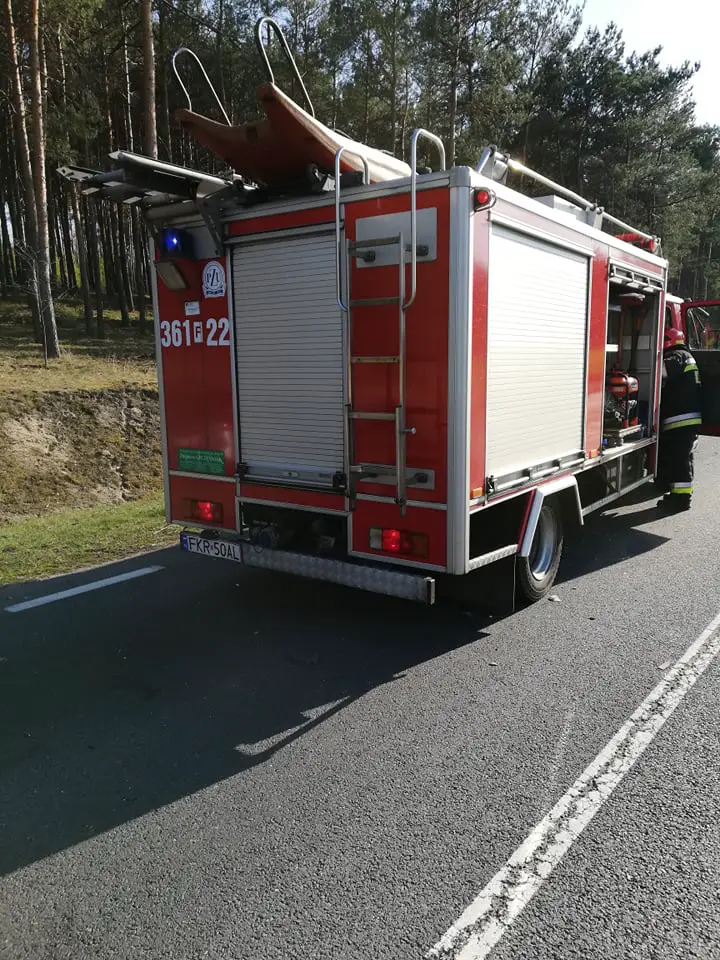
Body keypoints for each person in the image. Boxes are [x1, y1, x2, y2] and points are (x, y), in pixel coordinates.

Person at [656, 327, 702, 511]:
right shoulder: (687, 355)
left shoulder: (677, 356)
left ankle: (681, 500)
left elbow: (661, 373)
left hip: (680, 418)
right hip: (687, 417)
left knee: (679, 459)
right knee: (682, 457)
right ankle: (678, 494)